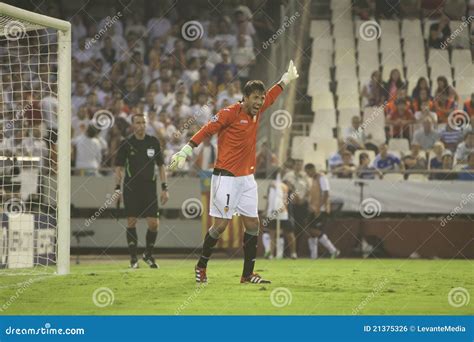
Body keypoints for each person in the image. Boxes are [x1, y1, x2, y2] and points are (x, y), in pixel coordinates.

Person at [169, 61, 299, 284]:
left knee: (253, 225)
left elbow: (272, 95)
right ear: (245, 98)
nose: (259, 102)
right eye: (255, 98)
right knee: (220, 226)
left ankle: (247, 275)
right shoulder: (229, 113)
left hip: (247, 179)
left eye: (260, 98)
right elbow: (207, 129)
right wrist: (186, 149)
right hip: (225, 178)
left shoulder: (258, 110)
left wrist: (284, 80)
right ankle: (201, 266)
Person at [115, 114, 169, 268]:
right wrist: (117, 189)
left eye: (143, 122)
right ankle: (133, 259)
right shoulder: (126, 143)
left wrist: (165, 188)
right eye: (138, 122)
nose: (141, 125)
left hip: (149, 188)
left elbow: (161, 166)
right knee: (131, 221)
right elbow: (118, 168)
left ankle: (148, 254)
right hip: (131, 188)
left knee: (154, 224)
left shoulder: (153, 142)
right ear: (132, 125)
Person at [304, 164, 340, 259]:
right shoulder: (313, 179)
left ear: (312, 169)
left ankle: (334, 250)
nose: (307, 174)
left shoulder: (321, 177)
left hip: (320, 209)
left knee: (314, 230)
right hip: (313, 208)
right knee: (310, 231)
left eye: (308, 172)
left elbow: (326, 192)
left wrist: (319, 208)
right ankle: (314, 256)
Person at [263, 169, 297, 260]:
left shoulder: (280, 186)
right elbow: (271, 199)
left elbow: (279, 199)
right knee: (275, 234)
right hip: (278, 212)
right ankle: (272, 254)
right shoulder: (278, 186)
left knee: (283, 234)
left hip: (281, 211)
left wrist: (273, 210)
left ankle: (293, 253)